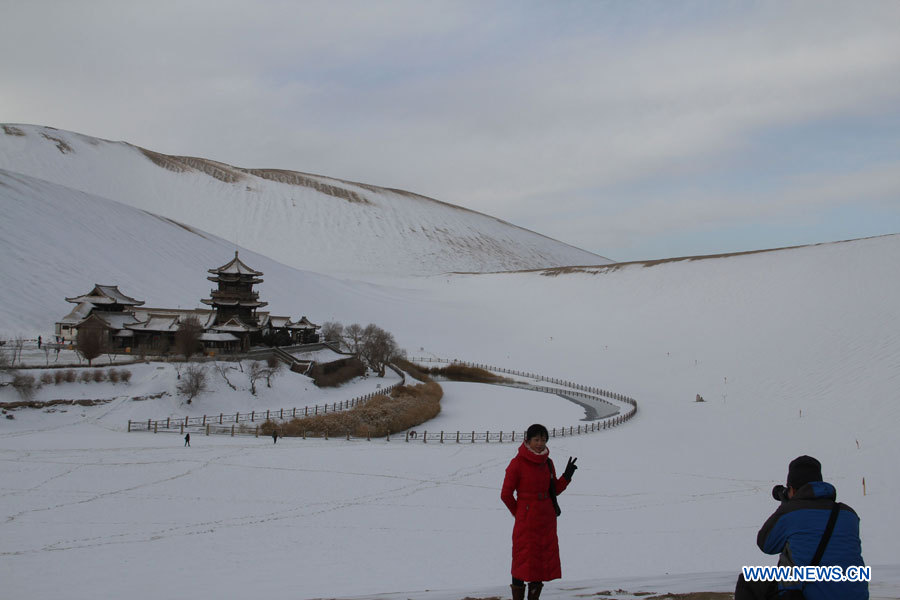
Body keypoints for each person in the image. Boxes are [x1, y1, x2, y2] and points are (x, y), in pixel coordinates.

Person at [735, 455, 868, 600]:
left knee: (748, 580)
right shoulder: (848, 514)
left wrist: (785, 506)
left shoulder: (790, 512)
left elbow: (766, 544)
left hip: (806, 595)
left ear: (791, 489)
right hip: (856, 595)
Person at [501, 424, 578, 600]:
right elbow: (505, 494)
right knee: (522, 561)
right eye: (536, 439)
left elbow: (554, 490)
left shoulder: (548, 463)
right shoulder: (517, 463)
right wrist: (520, 513)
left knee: (540, 563)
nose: (540, 443)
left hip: (546, 521)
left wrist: (567, 476)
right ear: (527, 440)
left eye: (543, 440)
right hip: (526, 523)